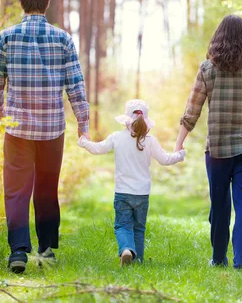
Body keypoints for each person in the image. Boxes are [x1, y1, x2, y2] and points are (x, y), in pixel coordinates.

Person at [0, 0, 90, 273]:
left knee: (16, 190)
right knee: (46, 188)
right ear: (46, 5)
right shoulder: (63, 39)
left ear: (22, 4)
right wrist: (83, 123)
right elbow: (76, 86)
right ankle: (45, 250)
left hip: (17, 129)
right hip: (52, 130)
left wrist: (0, 114)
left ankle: (18, 251)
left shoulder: (5, 38)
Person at [175, 14, 242, 270]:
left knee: (220, 207)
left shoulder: (207, 69)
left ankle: (218, 258)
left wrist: (179, 143)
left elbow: (192, 109)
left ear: (218, 39)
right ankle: (240, 262)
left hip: (218, 152)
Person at [78, 99, 185, 266]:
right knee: (139, 229)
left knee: (122, 226)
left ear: (127, 120)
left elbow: (97, 149)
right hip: (142, 194)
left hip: (122, 192)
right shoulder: (150, 140)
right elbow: (165, 160)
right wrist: (180, 154)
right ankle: (138, 260)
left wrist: (83, 142)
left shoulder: (117, 137)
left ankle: (126, 249)